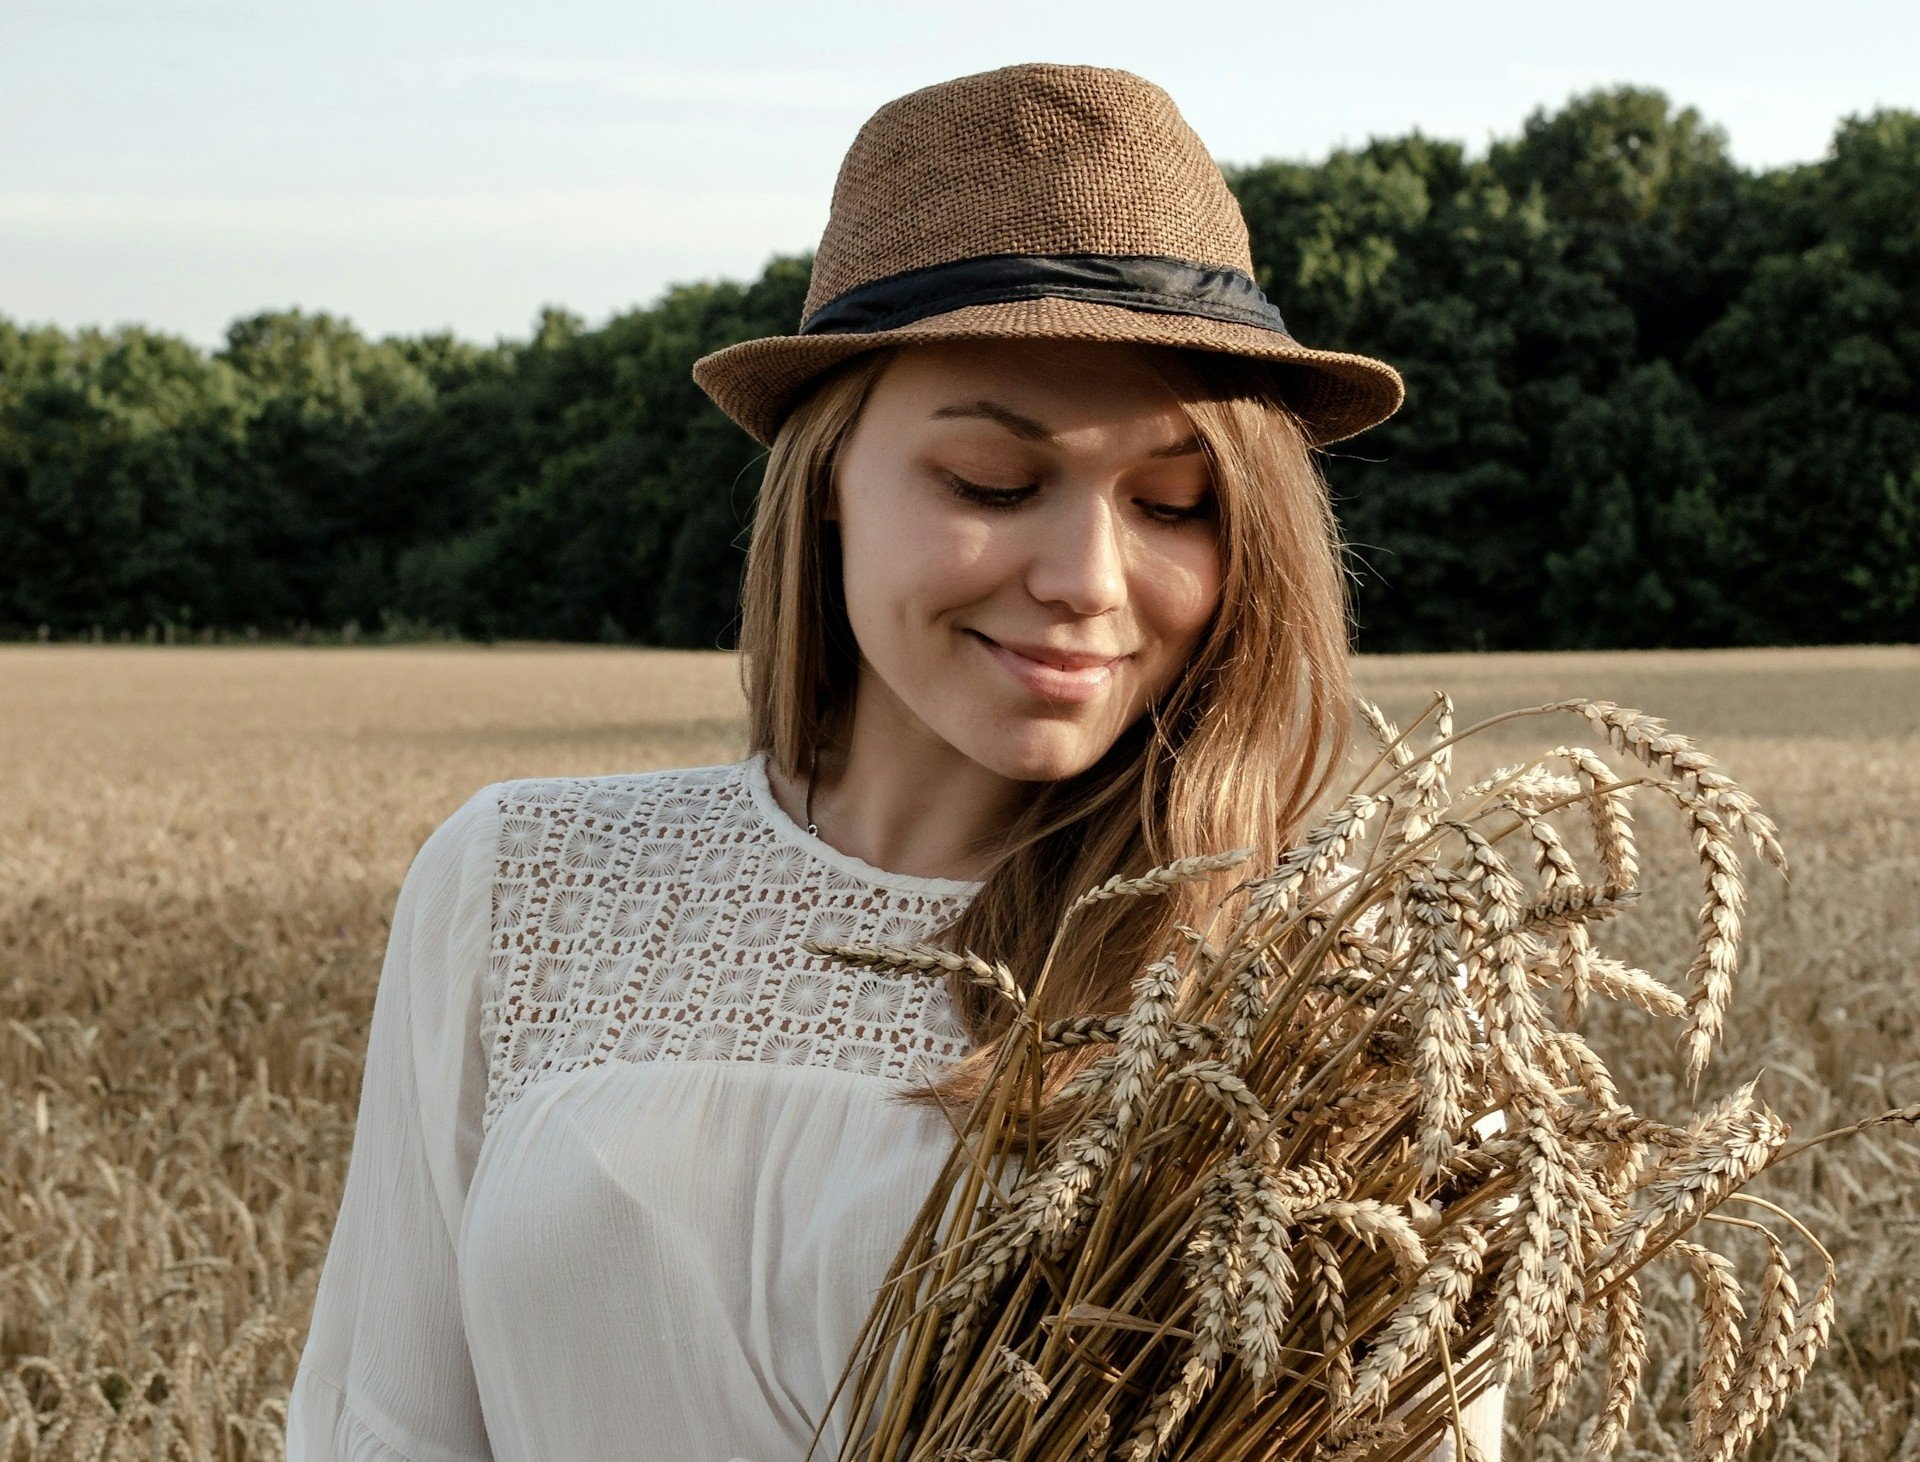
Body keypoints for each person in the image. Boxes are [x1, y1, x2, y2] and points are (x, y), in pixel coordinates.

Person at [283, 61, 1505, 1462]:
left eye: (1175, 503)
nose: (1088, 579)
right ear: (828, 481)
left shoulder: (1316, 983)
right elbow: (377, 1424)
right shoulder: (523, 882)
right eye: (993, 483)